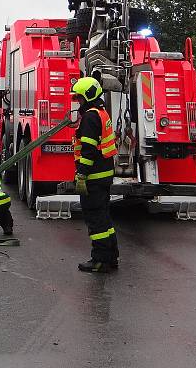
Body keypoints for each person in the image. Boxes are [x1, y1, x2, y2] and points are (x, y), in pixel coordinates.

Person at [72, 76, 119, 273]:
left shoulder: (91, 117)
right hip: (103, 175)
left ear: (88, 96)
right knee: (104, 219)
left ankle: (99, 260)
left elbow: (89, 151)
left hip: (93, 177)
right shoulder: (101, 113)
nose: (79, 102)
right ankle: (111, 257)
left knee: (95, 220)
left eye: (80, 98)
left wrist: (81, 174)